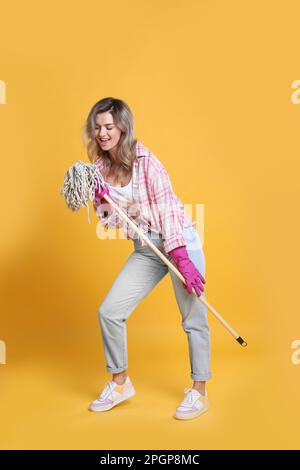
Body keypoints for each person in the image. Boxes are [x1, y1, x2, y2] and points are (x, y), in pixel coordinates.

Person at [82, 97, 211, 420]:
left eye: (109, 126)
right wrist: (102, 201)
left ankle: (199, 391)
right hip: (147, 248)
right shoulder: (98, 170)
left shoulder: (147, 162)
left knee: (193, 318)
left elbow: (168, 211)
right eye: (97, 127)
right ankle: (121, 382)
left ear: (123, 127)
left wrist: (181, 256)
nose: (102, 133)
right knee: (109, 312)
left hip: (179, 241)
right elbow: (110, 222)